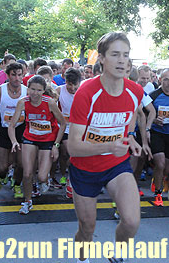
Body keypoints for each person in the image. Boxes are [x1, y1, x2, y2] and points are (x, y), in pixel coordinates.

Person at [67, 32, 144, 263]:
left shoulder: (135, 91)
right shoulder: (86, 93)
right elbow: (73, 147)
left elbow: (130, 116)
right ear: (101, 58)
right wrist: (109, 145)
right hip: (85, 170)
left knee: (131, 222)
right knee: (87, 228)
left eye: (126, 55)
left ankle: (118, 255)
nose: (122, 61)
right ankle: (82, 258)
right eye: (115, 55)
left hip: (116, 166)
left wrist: (129, 136)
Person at [8, 75, 66, 214]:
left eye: (39, 90)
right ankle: (27, 202)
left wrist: (56, 145)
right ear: (27, 89)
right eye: (32, 89)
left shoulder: (50, 102)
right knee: (27, 173)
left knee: (41, 176)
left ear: (43, 91)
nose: (35, 93)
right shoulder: (23, 102)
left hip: (47, 140)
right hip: (30, 138)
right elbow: (11, 126)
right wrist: (14, 141)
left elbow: (63, 123)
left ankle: (45, 181)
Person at [0, 62, 27, 198]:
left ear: (23, 75)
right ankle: (2, 177)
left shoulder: (27, 91)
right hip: (3, 131)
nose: (17, 78)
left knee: (21, 164)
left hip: (21, 130)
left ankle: (17, 185)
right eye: (13, 75)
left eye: (19, 75)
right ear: (8, 75)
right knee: (2, 167)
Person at [56, 67, 81, 186]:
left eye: (75, 85)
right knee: (65, 151)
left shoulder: (83, 91)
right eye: (69, 85)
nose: (72, 88)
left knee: (74, 153)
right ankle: (62, 174)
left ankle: (72, 174)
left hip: (78, 128)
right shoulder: (59, 91)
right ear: (65, 81)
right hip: (64, 127)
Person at [149, 68, 169, 206]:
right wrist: (154, 119)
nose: (168, 83)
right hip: (157, 133)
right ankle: (158, 193)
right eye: (166, 79)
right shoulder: (154, 95)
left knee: (166, 168)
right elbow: (143, 113)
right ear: (160, 80)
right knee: (160, 163)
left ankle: (157, 178)